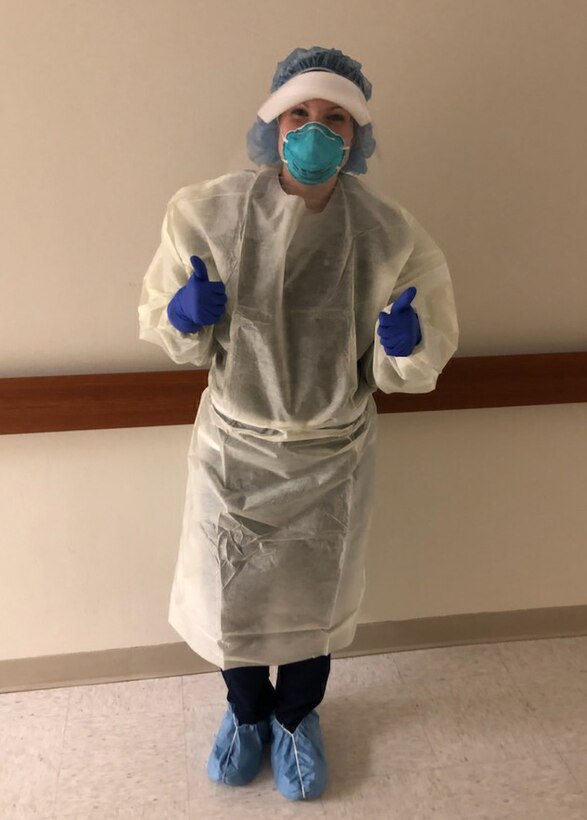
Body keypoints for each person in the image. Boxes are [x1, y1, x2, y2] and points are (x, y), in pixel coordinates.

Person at [138, 45, 458, 801]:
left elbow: (417, 355)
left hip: (332, 454)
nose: (315, 131)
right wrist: (182, 315)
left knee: (313, 606)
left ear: (358, 135)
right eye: (299, 115)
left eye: (335, 118)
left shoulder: (390, 234)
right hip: (235, 450)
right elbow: (164, 321)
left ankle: (294, 719)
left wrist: (405, 345)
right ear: (271, 126)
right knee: (234, 600)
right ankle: (246, 713)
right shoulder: (206, 213)